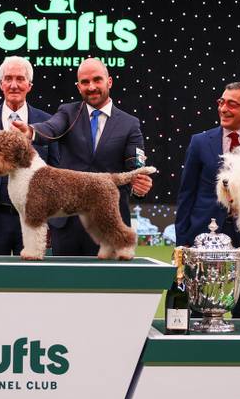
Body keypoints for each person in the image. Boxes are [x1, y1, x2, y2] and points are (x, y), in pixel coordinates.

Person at [12, 57, 152, 255]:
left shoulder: (130, 124)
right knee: (65, 285)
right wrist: (31, 131)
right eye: (85, 82)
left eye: (97, 80)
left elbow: (134, 168)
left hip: (107, 220)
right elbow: (51, 128)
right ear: (78, 87)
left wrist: (140, 186)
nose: (91, 86)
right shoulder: (67, 112)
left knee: (108, 286)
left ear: (109, 81)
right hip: (68, 225)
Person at [175, 82, 240, 318]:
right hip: (203, 237)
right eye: (221, 102)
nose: (224, 109)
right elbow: (186, 193)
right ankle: (196, 354)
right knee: (198, 306)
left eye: (232, 104)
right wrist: (183, 241)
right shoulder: (200, 142)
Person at [0, 57, 58, 254]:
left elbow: (55, 176)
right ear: (1, 84)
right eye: (8, 79)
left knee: (33, 282)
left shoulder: (47, 122)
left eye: (20, 79)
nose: (14, 85)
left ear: (29, 85)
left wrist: (53, 222)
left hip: (34, 219)